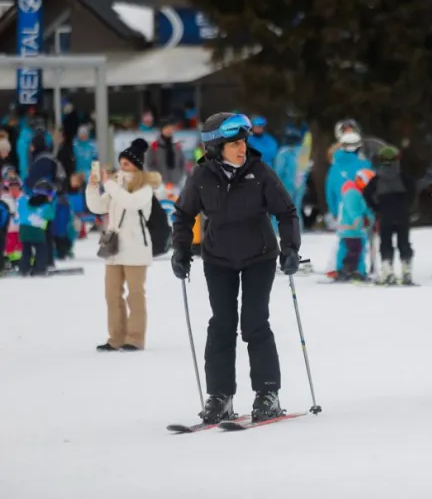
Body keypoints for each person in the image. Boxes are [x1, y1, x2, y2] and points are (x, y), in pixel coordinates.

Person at [171, 112, 301, 424]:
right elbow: (183, 215)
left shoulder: (260, 172)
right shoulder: (201, 177)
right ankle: (220, 396)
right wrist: (181, 250)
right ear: (216, 147)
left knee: (255, 322)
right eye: (234, 144)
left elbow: (287, 212)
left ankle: (267, 393)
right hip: (218, 260)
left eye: (243, 142)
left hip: (259, 256)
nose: (242, 149)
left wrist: (290, 248)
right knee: (222, 325)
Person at [85, 139, 162, 351]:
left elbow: (131, 202)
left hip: (136, 247)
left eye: (127, 163)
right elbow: (97, 207)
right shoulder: (115, 185)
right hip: (115, 248)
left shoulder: (145, 187)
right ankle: (115, 338)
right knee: (112, 294)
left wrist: (108, 183)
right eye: (121, 162)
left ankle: (135, 338)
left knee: (135, 293)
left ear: (137, 165)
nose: (123, 166)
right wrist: (93, 186)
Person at [363, 146, 416, 285]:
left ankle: (388, 270)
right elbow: (413, 190)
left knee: (385, 242)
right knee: (404, 242)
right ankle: (406, 270)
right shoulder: (403, 177)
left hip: (385, 214)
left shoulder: (377, 179)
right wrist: (408, 205)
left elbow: (366, 193)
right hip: (402, 214)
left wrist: (375, 207)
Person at [334, 170, 375, 282]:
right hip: (351, 228)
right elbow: (353, 210)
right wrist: (359, 221)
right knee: (353, 249)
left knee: (354, 249)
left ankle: (353, 270)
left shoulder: (357, 192)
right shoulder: (352, 193)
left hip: (354, 229)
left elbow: (363, 208)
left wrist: (369, 218)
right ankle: (348, 270)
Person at [17, 178, 55, 276]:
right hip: (37, 231)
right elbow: (50, 216)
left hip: (23, 230)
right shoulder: (46, 205)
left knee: (26, 251)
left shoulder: (27, 201)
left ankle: (24, 269)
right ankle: (40, 269)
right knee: (40, 250)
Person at [145, 120, 187, 188]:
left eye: (171, 128)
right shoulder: (154, 146)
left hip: (176, 183)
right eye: (167, 128)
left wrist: (179, 176)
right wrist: (159, 176)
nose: (169, 130)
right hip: (160, 184)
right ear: (162, 129)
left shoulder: (176, 145)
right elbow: (149, 165)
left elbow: (182, 162)